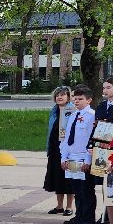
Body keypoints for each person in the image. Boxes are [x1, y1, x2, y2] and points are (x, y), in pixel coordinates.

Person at [62, 86, 98, 224]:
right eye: (75, 98)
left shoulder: (91, 115)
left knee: (86, 192)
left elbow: (92, 140)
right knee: (77, 191)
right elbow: (66, 138)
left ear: (89, 100)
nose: (76, 101)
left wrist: (88, 160)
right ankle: (79, 217)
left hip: (83, 158)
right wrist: (64, 157)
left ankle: (88, 222)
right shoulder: (72, 115)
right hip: (72, 157)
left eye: (80, 99)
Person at [45, 87, 75, 216]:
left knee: (68, 178)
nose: (59, 97)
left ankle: (69, 206)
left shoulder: (72, 110)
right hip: (55, 148)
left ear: (68, 97)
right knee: (57, 177)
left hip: (68, 149)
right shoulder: (54, 110)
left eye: (63, 95)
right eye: (57, 95)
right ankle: (59, 206)